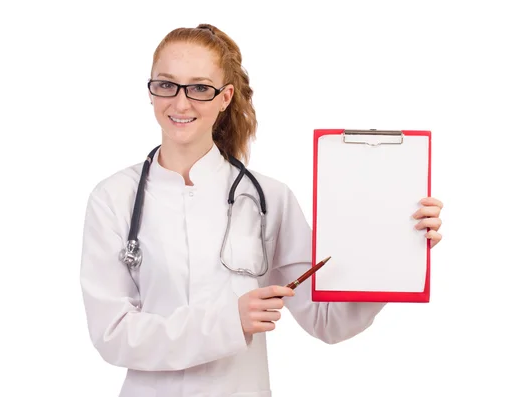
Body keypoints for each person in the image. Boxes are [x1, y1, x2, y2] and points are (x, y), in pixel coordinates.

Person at [79, 23, 444, 397]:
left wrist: (397, 250)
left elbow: (327, 321)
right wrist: (227, 322)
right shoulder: (114, 198)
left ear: (225, 97)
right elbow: (112, 334)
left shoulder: (269, 198)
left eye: (201, 88)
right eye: (166, 85)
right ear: (151, 90)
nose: (181, 102)